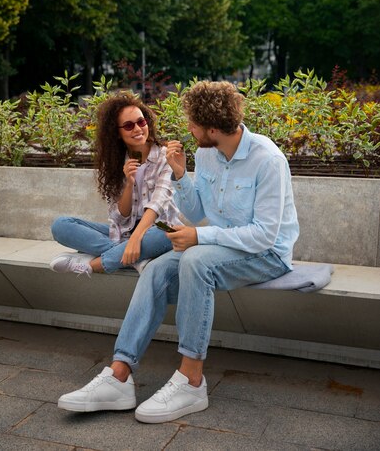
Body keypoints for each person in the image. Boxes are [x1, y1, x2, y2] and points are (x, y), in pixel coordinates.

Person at [57, 80, 299, 422]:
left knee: (197, 261)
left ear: (212, 128)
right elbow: (198, 211)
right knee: (157, 268)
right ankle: (119, 376)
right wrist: (182, 174)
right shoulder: (205, 153)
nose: (188, 129)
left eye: (193, 124)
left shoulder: (268, 160)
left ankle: (191, 380)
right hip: (220, 244)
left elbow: (263, 236)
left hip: (266, 255)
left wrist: (200, 237)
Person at [50, 92, 181, 276]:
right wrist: (129, 183)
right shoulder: (116, 161)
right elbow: (120, 218)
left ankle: (91, 265)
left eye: (141, 122)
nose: (137, 129)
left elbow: (158, 204)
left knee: (168, 233)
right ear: (117, 133)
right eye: (128, 125)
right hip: (126, 232)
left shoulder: (165, 155)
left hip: (160, 228)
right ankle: (136, 259)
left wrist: (136, 238)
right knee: (61, 225)